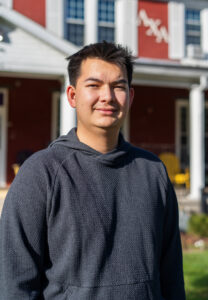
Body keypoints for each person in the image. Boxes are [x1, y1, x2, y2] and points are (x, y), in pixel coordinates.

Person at [0, 41, 186, 299]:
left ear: (130, 97)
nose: (107, 96)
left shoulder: (153, 172)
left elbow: (172, 277)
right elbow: (15, 285)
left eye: (118, 86)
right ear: (73, 96)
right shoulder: (41, 174)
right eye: (94, 85)